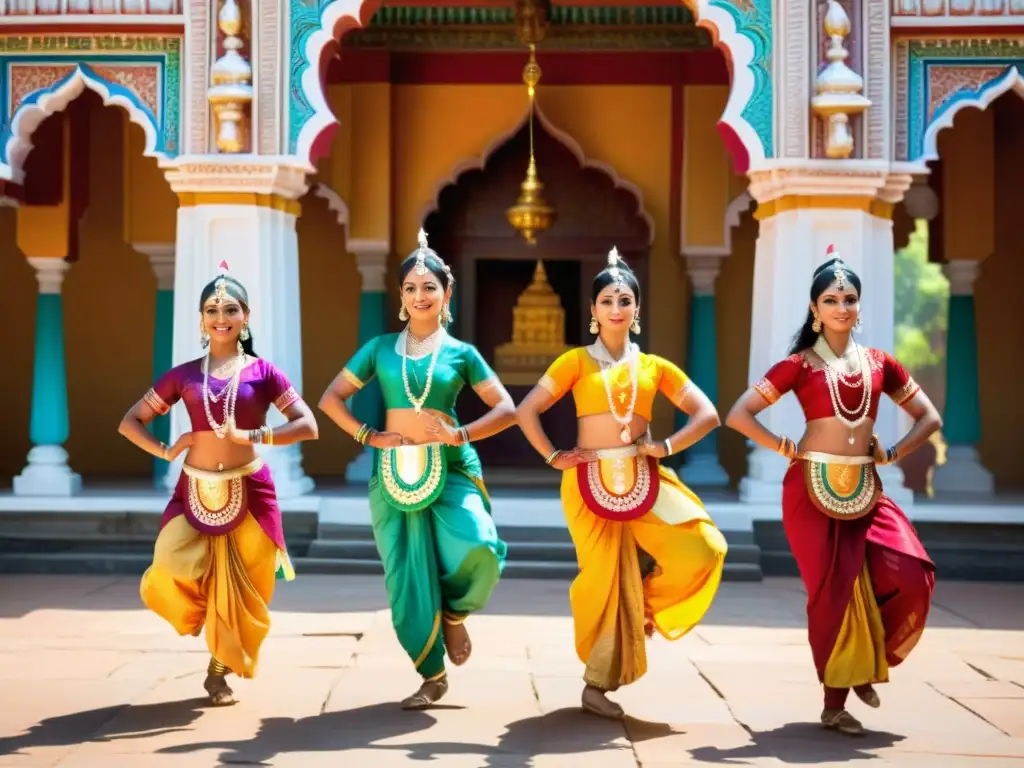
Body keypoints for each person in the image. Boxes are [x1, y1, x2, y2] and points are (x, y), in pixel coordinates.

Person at [725, 246, 940, 735]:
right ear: (814, 310)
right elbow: (738, 414)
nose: (841, 306)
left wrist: (894, 452)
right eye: (830, 299)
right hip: (810, 488)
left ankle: (865, 659)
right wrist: (782, 446)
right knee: (833, 593)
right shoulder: (797, 366)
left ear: (858, 307)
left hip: (866, 484)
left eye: (849, 298)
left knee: (911, 572)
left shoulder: (882, 364)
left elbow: (930, 418)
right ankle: (834, 701)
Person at [516, 247, 728, 720]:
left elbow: (708, 414)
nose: (616, 308)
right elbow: (525, 410)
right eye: (607, 301)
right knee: (601, 580)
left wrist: (666, 447)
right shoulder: (574, 362)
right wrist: (553, 455)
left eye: (625, 300)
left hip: (644, 474)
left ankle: (645, 607)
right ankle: (597, 685)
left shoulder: (655, 366)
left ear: (637, 309)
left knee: (705, 546)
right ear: (593, 311)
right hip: (586, 480)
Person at [319, 229, 515, 710]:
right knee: (405, 574)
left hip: (450, 466)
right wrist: (368, 436)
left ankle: (455, 615)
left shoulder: (462, 354)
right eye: (410, 288)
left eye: (429, 287)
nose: (420, 295)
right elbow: (330, 399)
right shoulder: (380, 348)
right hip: (393, 472)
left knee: (481, 546)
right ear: (401, 297)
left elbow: (507, 408)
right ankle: (431, 674)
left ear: (446, 294)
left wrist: (461, 433)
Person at [118, 262, 319, 706]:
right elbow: (130, 422)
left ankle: (218, 670)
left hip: (251, 490)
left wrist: (255, 435)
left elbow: (308, 425)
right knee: (168, 566)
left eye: (230, 309)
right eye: (212, 309)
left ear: (246, 317)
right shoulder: (184, 374)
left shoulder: (264, 372)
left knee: (248, 585)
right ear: (201, 318)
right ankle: (201, 617)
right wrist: (166, 451)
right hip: (193, 488)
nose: (221, 317)